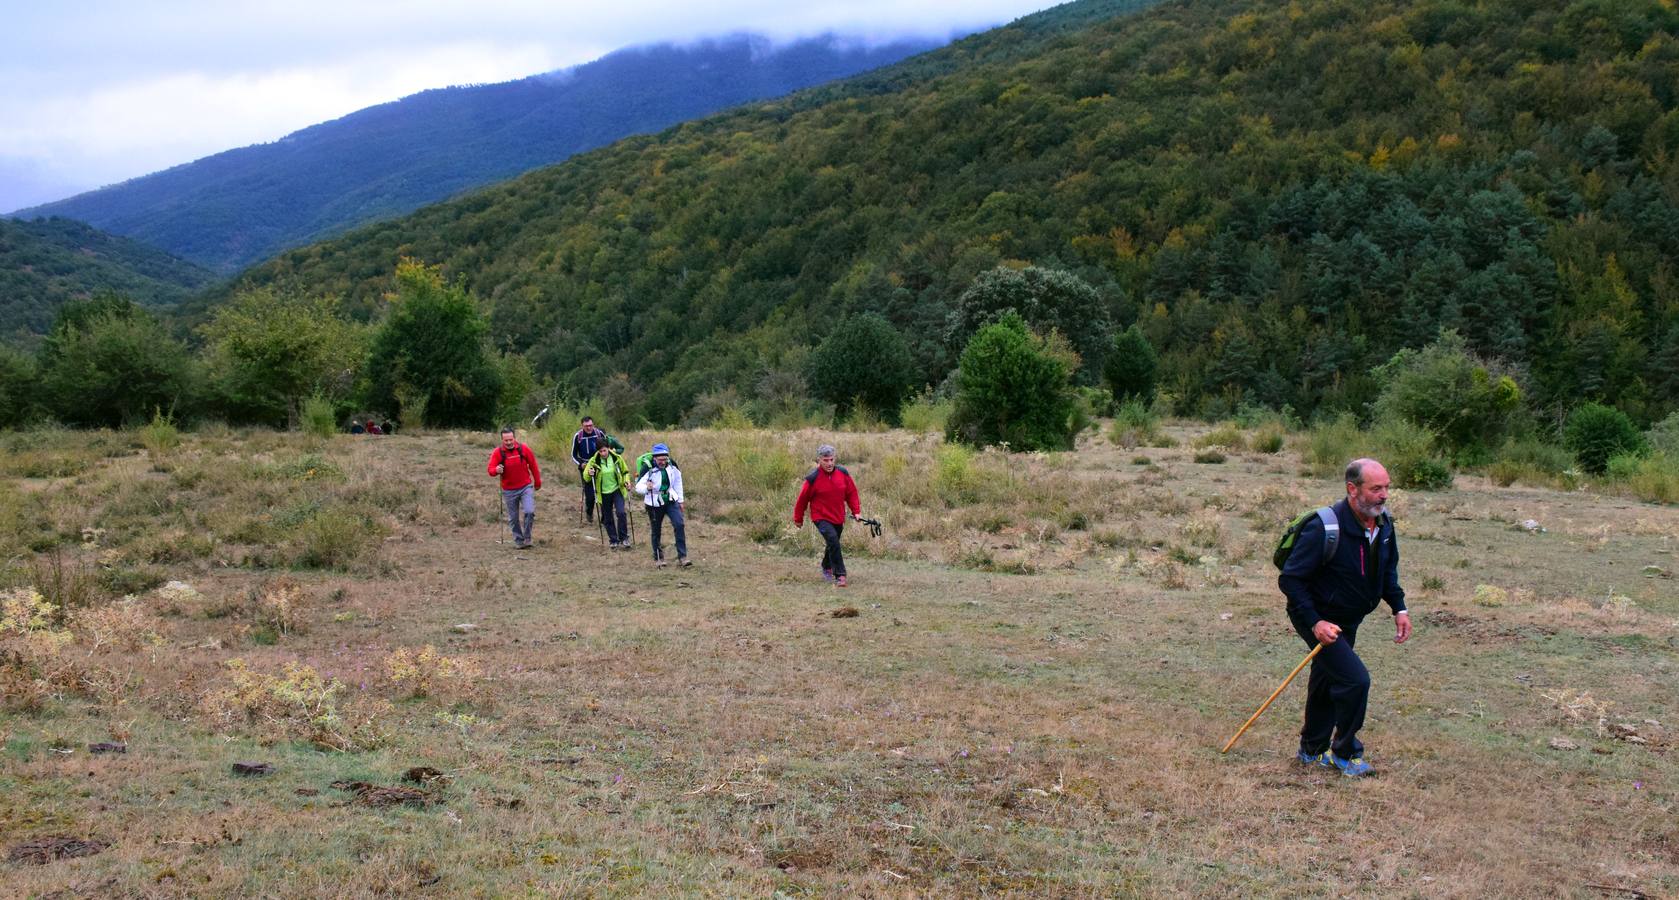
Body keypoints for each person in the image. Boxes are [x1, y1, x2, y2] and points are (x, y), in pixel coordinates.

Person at [1278, 457, 1411, 778]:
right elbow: (1291, 580)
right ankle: (1345, 752)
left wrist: (1399, 608)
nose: (1384, 495)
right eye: (1376, 488)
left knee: (1327, 678)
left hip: (1349, 618)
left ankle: (1311, 750)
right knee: (1355, 680)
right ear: (1352, 489)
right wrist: (1315, 622)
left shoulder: (1383, 525)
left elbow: (1386, 572)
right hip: (1317, 616)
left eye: (1387, 488)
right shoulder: (1325, 527)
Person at [792, 444, 862, 588]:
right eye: (825, 460)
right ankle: (840, 575)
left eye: (831, 459)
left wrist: (856, 511)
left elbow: (851, 493)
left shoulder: (843, 473)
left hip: (838, 516)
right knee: (833, 540)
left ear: (834, 459)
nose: (829, 463)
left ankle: (826, 566)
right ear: (819, 460)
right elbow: (802, 499)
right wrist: (798, 519)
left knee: (833, 542)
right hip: (820, 517)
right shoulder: (812, 478)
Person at [633, 443, 689, 567]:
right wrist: (646, 488)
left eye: (665, 459)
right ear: (654, 458)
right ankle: (658, 557)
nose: (663, 462)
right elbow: (638, 487)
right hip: (653, 502)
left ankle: (683, 557)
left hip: (670, 498)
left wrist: (680, 500)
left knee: (679, 524)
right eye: (660, 460)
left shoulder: (672, 465)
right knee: (656, 530)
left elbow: (678, 481)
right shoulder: (647, 467)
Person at [487, 426, 542, 550]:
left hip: (525, 487)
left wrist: (537, 482)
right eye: (506, 440)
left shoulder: (524, 449)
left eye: (510, 439)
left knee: (529, 511)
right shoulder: (498, 452)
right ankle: (519, 540)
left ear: (514, 438)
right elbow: (490, 470)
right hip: (509, 490)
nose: (509, 442)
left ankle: (527, 538)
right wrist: (496, 470)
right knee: (513, 518)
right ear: (502, 440)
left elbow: (533, 465)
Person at [570, 416, 623, 524]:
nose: (589, 428)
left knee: (603, 492)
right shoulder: (578, 436)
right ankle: (589, 512)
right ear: (582, 426)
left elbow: (606, 448)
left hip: (600, 464)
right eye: (586, 426)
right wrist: (581, 464)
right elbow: (573, 454)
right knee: (590, 496)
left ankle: (605, 518)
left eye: (590, 425)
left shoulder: (599, 434)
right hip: (586, 467)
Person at [582, 441, 632, 549]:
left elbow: (625, 471)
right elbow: (585, 477)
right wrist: (589, 473)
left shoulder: (616, 458)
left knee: (621, 513)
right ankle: (613, 540)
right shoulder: (594, 461)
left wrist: (626, 481)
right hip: (603, 493)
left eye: (605, 450)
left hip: (617, 489)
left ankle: (624, 538)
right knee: (607, 517)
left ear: (609, 448)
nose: (603, 453)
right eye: (600, 451)